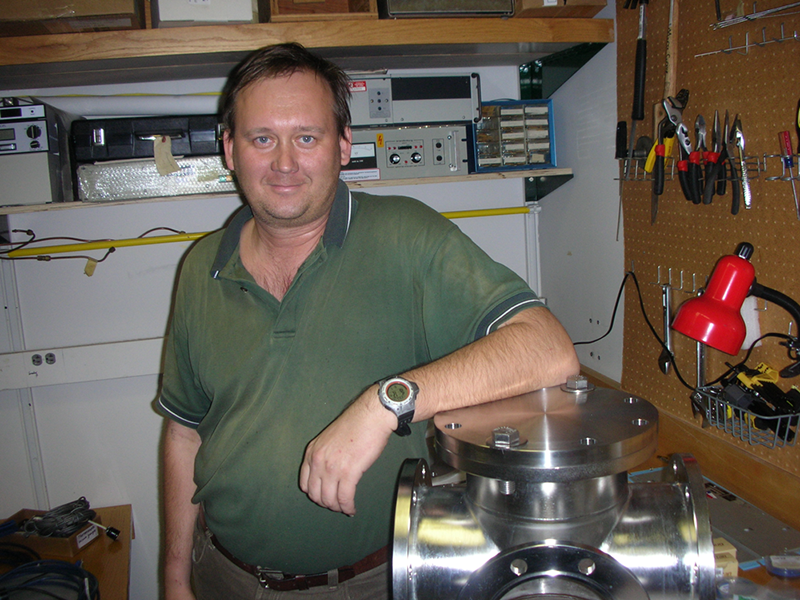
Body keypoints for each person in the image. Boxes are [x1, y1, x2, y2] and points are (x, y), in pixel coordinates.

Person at [159, 42, 579, 600]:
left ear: (342, 145)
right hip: (223, 575)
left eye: (307, 138)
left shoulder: (407, 237)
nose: (284, 163)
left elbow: (548, 352)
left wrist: (384, 403)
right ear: (230, 150)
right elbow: (185, 430)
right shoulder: (199, 268)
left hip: (370, 582)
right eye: (263, 139)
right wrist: (174, 575)